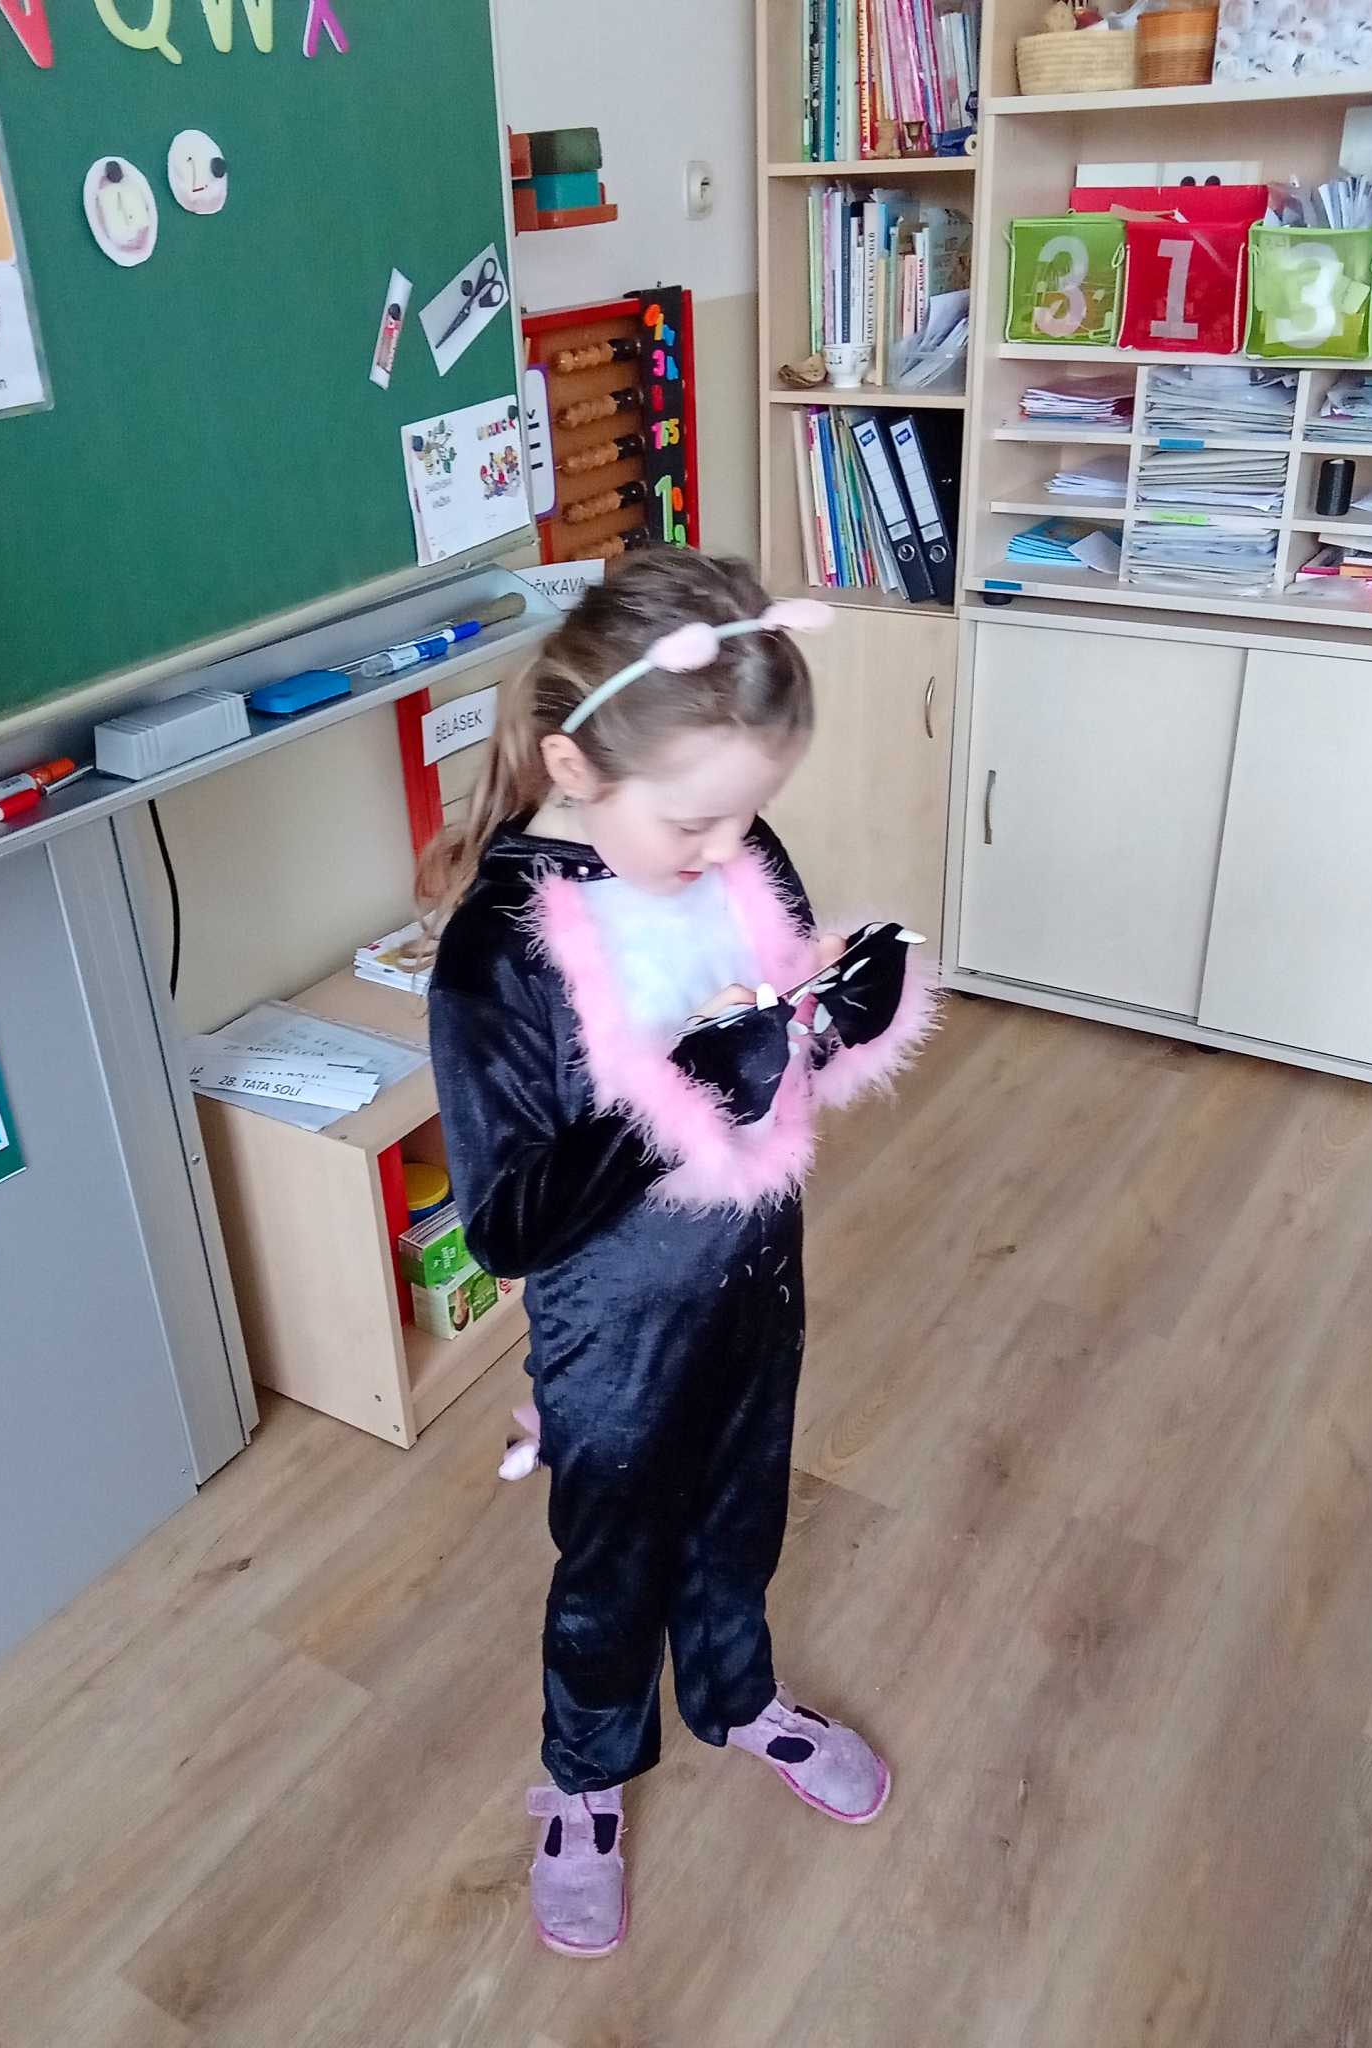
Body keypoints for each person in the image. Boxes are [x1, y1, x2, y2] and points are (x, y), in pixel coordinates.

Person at [420, 550, 938, 1958]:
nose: (732, 848)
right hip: (614, 1336)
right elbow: (507, 1222)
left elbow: (775, 1042)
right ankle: (584, 1779)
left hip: (758, 1281)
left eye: (752, 811)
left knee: (741, 1512)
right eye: (698, 819)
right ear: (574, 766)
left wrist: (840, 1014)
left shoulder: (735, 854)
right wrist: (686, 1089)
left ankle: (736, 1693)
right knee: (614, 1560)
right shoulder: (500, 955)